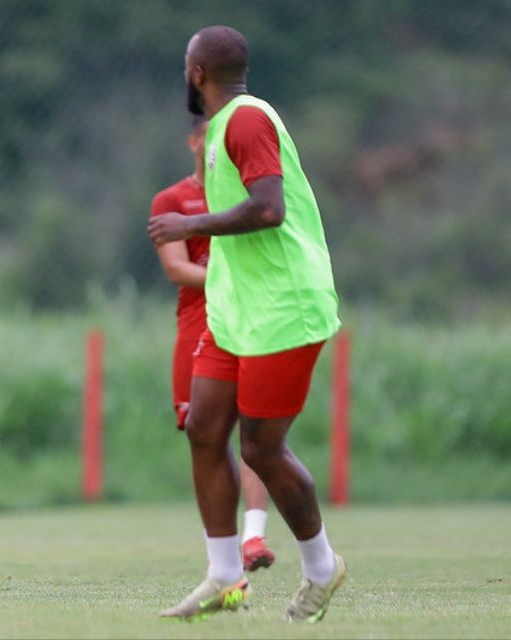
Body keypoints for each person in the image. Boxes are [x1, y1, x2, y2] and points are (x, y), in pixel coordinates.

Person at [148, 26, 346, 622]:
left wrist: (192, 226)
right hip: (237, 308)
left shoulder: (246, 119)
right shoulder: (220, 128)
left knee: (261, 447)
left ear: (195, 72)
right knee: (206, 428)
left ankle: (321, 567)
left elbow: (269, 208)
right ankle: (225, 577)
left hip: (284, 307)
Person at [150, 113, 275, 574]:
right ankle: (221, 553)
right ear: (195, 142)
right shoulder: (172, 199)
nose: (216, 147)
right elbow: (177, 268)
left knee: (255, 432)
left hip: (248, 320)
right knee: (206, 434)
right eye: (209, 138)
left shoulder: (250, 197)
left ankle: (254, 537)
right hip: (198, 322)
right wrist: (230, 278)